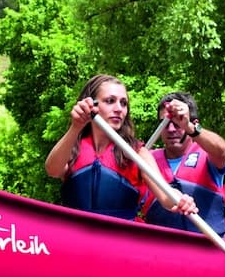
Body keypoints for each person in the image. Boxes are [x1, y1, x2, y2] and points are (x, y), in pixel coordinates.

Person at [44, 74, 198, 221]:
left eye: (123, 103)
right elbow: (53, 170)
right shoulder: (73, 145)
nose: (119, 109)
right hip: (75, 236)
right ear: (92, 105)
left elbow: (166, 196)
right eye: (110, 101)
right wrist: (75, 127)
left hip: (118, 239)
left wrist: (181, 199)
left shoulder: (137, 151)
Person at [145, 92, 225, 245]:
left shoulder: (209, 154)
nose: (171, 129)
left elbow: (222, 151)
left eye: (177, 122)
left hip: (207, 245)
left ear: (192, 122)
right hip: (161, 248)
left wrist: (189, 127)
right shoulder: (146, 158)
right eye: (165, 123)